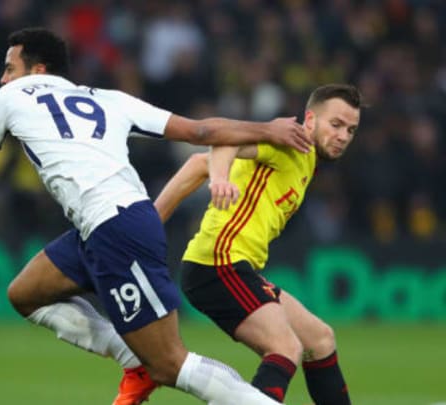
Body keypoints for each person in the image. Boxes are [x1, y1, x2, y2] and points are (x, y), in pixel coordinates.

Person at [0, 27, 312, 405]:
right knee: (26, 295)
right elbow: (200, 130)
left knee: (170, 364)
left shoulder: (11, 95)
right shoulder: (109, 99)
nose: (3, 77)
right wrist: (266, 128)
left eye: (9, 67)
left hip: (117, 229)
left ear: (38, 71)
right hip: (107, 224)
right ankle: (133, 357)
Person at [152, 84, 360, 404]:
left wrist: (152, 221)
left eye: (351, 129)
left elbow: (197, 163)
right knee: (285, 348)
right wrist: (220, 179)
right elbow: (224, 140)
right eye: (336, 124)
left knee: (319, 339)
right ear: (310, 119)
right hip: (219, 264)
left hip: (232, 265)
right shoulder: (291, 142)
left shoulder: (304, 162)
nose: (344, 135)